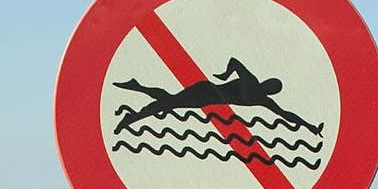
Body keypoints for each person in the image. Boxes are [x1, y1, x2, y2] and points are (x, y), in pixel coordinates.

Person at [113, 58, 322, 135]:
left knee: (170, 101)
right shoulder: (252, 82)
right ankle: (132, 114)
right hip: (205, 91)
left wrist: (310, 126)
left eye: (271, 90)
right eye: (270, 86)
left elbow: (286, 114)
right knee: (170, 103)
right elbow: (235, 61)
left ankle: (136, 92)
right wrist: (225, 74)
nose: (268, 90)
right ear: (266, 83)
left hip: (209, 96)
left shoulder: (262, 99)